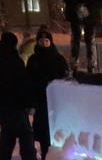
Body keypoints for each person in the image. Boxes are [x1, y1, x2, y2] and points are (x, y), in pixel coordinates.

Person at [0, 31, 38, 160]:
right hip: (15, 105)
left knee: (7, 133)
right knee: (25, 133)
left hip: (0, 105)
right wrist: (29, 103)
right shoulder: (14, 61)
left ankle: (3, 157)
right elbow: (22, 84)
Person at [26, 26, 70, 159]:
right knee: (44, 134)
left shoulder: (58, 59)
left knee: (58, 132)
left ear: (51, 42)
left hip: (57, 103)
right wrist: (31, 102)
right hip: (40, 103)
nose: (44, 43)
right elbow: (28, 82)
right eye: (41, 41)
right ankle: (46, 155)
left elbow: (66, 78)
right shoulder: (33, 60)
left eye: (46, 41)